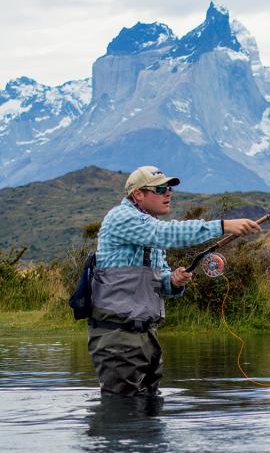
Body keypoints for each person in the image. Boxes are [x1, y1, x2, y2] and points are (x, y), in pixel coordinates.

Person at [88, 165, 261, 396]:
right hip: (118, 335)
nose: (168, 193)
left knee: (149, 407)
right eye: (160, 189)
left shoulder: (147, 228)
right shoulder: (122, 217)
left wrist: (174, 281)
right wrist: (223, 226)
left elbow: (162, 285)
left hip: (146, 334)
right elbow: (165, 233)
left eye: (169, 188)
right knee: (122, 411)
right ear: (138, 194)